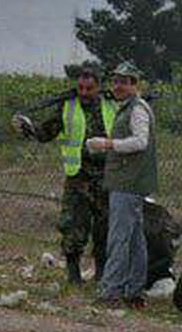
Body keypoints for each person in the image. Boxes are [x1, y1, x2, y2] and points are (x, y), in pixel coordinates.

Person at [14, 66, 116, 284]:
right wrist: (28, 129)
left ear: (98, 87)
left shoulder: (111, 104)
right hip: (78, 176)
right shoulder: (67, 106)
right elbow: (46, 133)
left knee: (104, 228)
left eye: (89, 88)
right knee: (73, 226)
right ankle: (73, 275)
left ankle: (102, 274)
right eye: (80, 87)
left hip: (108, 176)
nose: (84, 92)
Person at [87, 62, 156, 307]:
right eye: (115, 81)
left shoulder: (136, 110)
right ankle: (135, 291)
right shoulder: (129, 107)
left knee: (118, 237)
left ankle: (111, 291)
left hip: (128, 183)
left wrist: (108, 144)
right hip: (129, 182)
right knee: (136, 239)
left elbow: (140, 142)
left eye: (124, 82)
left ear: (134, 85)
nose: (118, 86)